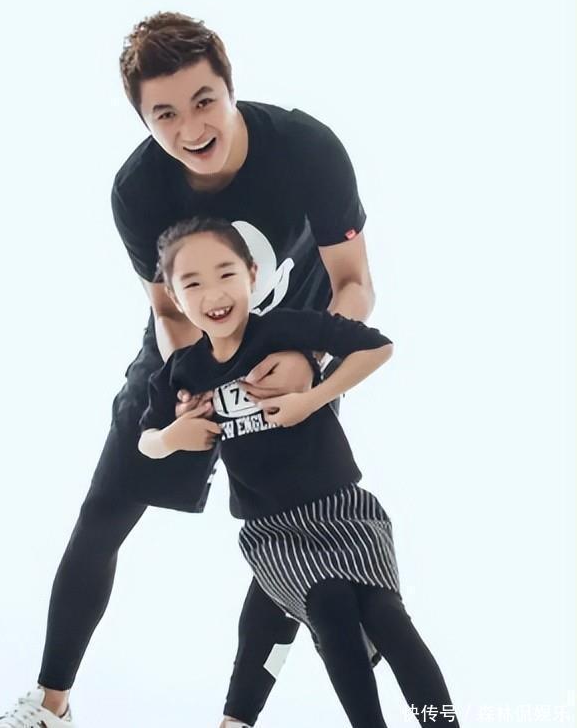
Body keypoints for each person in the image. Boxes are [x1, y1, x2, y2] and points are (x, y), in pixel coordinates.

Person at [0, 10, 377, 728]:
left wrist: (309, 360)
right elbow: (169, 311)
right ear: (143, 119)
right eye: (164, 114)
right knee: (106, 507)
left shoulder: (307, 148)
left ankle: (236, 720)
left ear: (230, 86)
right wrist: (188, 385)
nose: (190, 128)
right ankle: (49, 707)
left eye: (203, 101)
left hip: (293, 355)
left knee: (293, 535)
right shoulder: (138, 190)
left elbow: (353, 282)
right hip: (186, 356)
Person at [137, 216, 460, 728]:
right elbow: (147, 440)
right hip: (273, 533)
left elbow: (378, 346)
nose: (213, 294)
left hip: (343, 511)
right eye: (192, 283)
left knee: (387, 616)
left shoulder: (284, 329)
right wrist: (173, 438)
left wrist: (313, 397)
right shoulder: (184, 372)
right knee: (330, 606)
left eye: (225, 273)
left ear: (252, 274)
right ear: (175, 298)